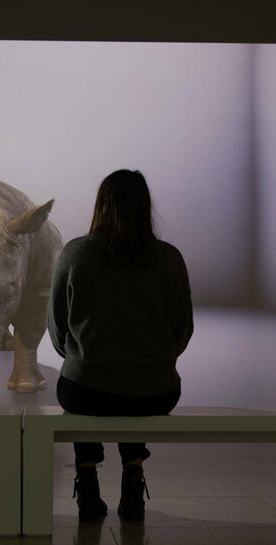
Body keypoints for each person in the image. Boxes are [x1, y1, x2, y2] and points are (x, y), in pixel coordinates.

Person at [47, 169, 194, 522]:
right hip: (157, 392)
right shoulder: (169, 258)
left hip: (85, 390)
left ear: (101, 206)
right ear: (145, 208)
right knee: (133, 388)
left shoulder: (75, 254)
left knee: (87, 386)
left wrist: (82, 357)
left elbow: (55, 327)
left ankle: (87, 480)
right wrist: (151, 357)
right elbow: (183, 330)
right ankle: (133, 479)